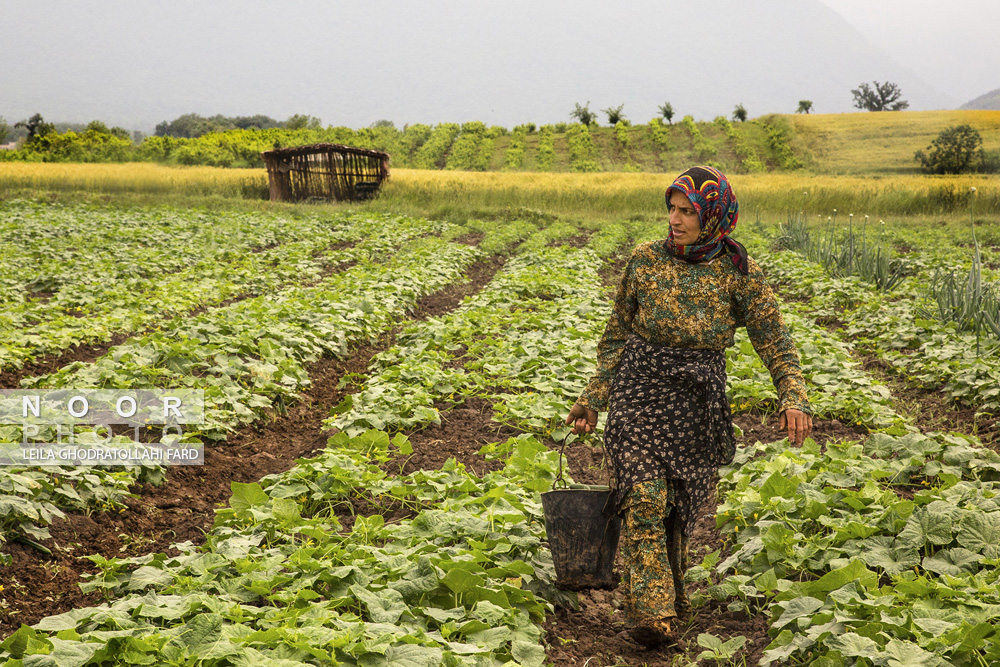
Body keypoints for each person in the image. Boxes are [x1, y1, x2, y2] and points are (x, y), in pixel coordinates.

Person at [564, 165, 812, 648]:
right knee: (642, 496)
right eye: (671, 209)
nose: (675, 220)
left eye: (687, 212)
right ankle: (652, 614)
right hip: (640, 391)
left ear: (714, 216)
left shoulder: (739, 272)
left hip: (697, 403)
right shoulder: (644, 260)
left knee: (676, 508)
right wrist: (593, 397)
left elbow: (775, 339)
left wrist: (793, 394)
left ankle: (669, 596)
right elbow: (617, 334)